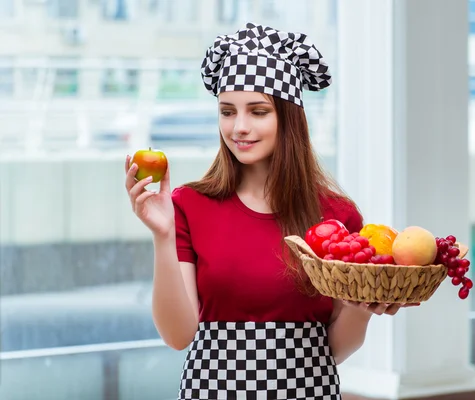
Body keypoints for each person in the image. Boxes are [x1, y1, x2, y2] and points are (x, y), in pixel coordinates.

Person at [124, 22, 419, 400]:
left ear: (288, 118)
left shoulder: (338, 217)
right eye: (227, 111)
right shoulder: (188, 205)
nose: (239, 128)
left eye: (258, 111)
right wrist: (162, 236)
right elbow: (178, 336)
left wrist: (359, 308)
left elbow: (335, 351)